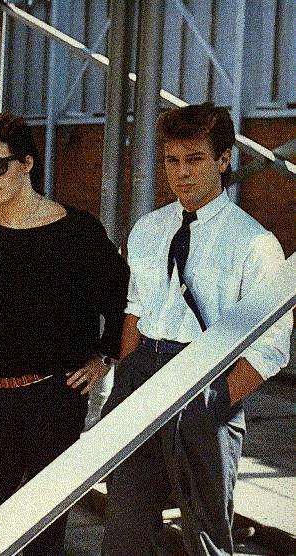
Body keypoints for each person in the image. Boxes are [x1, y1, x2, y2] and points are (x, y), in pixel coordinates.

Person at [100, 102, 292, 555]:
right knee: (126, 522)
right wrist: (128, 375)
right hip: (143, 372)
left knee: (205, 534)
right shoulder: (148, 229)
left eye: (195, 159)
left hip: (207, 380)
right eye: (172, 160)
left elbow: (271, 349)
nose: (182, 172)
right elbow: (135, 311)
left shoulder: (254, 243)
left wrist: (217, 401)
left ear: (223, 160)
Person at [0, 113, 129, 555]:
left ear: (28, 163)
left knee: (44, 520)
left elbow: (122, 295)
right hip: (2, 392)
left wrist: (105, 355)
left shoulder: (79, 231)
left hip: (58, 394)